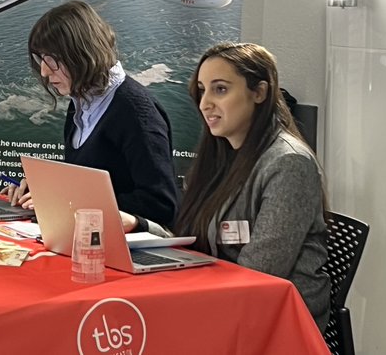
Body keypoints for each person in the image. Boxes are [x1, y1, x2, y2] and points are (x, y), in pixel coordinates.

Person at [129, 42, 331, 331]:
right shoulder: (222, 156)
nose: (205, 103)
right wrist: (137, 225)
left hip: (278, 322)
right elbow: (194, 244)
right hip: (228, 304)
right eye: (202, 90)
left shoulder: (289, 163)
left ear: (259, 92)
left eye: (220, 89)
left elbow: (258, 274)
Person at [5, 0, 179, 230]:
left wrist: (65, 201)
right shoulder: (80, 102)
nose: (44, 72)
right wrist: (44, 190)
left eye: (51, 60)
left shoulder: (137, 112)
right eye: (40, 59)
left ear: (81, 53)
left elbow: (162, 205)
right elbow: (88, 184)